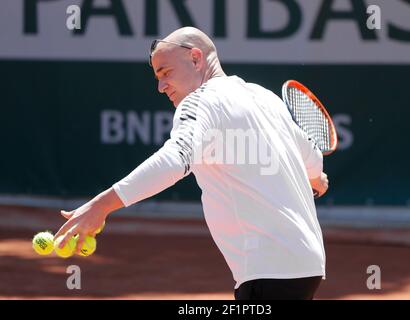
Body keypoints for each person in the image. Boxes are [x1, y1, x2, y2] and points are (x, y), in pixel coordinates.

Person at [55, 27, 329, 300]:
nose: (160, 87)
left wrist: (101, 205)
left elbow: (176, 158)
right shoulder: (265, 97)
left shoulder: (202, 101)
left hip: (269, 270)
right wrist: (315, 178)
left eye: (166, 73)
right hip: (306, 264)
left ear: (196, 59)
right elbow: (312, 160)